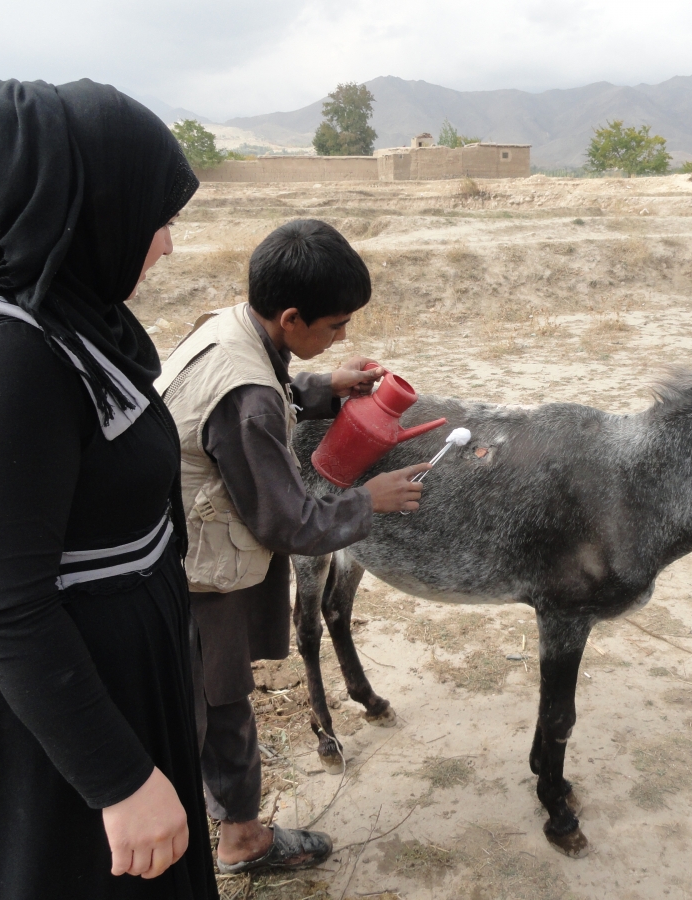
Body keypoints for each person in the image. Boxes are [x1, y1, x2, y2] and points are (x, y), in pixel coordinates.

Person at [0, 79, 218, 898]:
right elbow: (5, 607)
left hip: (102, 675)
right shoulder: (2, 361)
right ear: (80, 209)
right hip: (63, 719)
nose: (167, 245)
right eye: (158, 219)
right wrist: (118, 778)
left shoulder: (50, 314)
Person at [156, 219, 428, 873]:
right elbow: (289, 523)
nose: (343, 336)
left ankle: (218, 826)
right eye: (335, 326)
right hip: (196, 574)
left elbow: (261, 391)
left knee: (207, 701)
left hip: (169, 549)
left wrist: (323, 386)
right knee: (214, 705)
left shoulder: (226, 329)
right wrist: (372, 500)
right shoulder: (249, 398)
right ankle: (223, 841)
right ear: (291, 316)